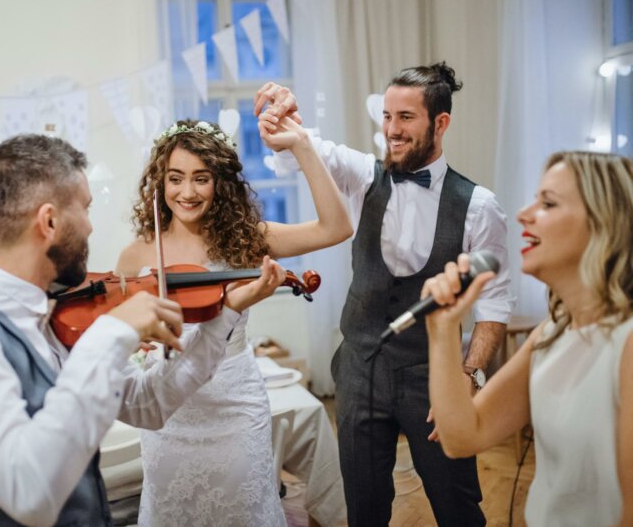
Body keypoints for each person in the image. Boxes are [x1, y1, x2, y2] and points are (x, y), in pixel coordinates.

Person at [0, 134, 286, 526]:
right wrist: (111, 334)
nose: (92, 228)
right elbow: (30, 496)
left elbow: (151, 404)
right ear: (49, 222)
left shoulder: (58, 316)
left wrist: (226, 312)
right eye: (85, 209)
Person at [255, 62, 514, 526]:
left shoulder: (479, 206)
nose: (392, 130)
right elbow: (305, 149)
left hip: (431, 379)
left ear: (441, 123)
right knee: (364, 507)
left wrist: (468, 375)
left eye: (406, 118)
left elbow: (494, 305)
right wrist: (282, 116)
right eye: (388, 116)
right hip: (359, 371)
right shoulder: (361, 174)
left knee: (458, 506)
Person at [116, 118, 352, 526]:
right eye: (175, 178)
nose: (186, 192)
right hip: (170, 412)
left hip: (234, 404)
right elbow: (124, 337)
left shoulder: (246, 240)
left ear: (220, 183)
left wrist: (302, 147)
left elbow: (337, 227)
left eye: (200, 179)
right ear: (160, 182)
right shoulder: (137, 255)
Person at [423, 152, 633, 526]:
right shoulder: (551, 332)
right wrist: (441, 332)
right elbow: (461, 436)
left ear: (605, 223)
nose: (523, 213)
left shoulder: (627, 343)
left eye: (548, 203)